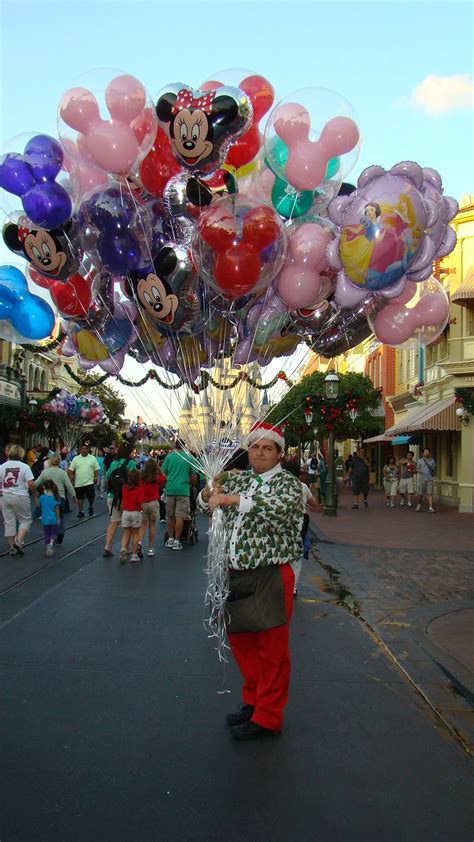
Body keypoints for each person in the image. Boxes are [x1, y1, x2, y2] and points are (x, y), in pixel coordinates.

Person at [198, 422, 304, 741]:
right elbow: (206, 505)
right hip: (237, 574)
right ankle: (255, 701)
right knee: (244, 642)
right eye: (255, 447)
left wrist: (231, 500)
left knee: (271, 647)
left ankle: (269, 716)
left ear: (279, 454)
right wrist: (208, 493)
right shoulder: (239, 478)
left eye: (267, 448)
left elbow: (278, 510)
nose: (259, 453)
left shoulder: (288, 485)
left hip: (270, 574)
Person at [282, 459, 318, 597]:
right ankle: (293, 588)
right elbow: (313, 502)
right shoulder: (302, 486)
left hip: (282, 522)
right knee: (297, 556)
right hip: (300, 523)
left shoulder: (278, 484)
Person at [0, 444, 37, 555]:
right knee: (25, 519)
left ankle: (12, 547)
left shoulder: (3, 466)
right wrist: (35, 494)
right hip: (20, 495)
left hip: (5, 496)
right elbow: (31, 483)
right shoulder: (24, 466)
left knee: (9, 522)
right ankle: (18, 541)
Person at [161, 439, 197, 551]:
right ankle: (177, 540)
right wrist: (191, 484)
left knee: (170, 516)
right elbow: (194, 476)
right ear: (184, 446)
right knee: (180, 516)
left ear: (175, 446)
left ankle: (170, 538)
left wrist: (168, 480)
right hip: (183, 489)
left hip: (170, 488)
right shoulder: (189, 458)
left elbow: (162, 472)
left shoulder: (169, 457)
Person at [103, 442, 137, 557]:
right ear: (129, 452)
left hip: (112, 496)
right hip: (126, 497)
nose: (134, 454)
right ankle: (125, 547)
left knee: (113, 521)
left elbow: (107, 477)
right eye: (133, 452)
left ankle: (108, 545)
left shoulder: (114, 463)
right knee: (127, 524)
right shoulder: (131, 463)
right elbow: (134, 481)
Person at [34, 453, 77, 545]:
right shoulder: (62, 473)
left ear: (50, 461)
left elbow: (36, 483)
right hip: (60, 497)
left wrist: (29, 487)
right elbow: (68, 485)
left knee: (49, 515)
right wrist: (73, 496)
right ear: (59, 461)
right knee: (60, 516)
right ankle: (60, 532)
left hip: (48, 498)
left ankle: (50, 534)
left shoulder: (45, 472)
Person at [68, 441, 100, 518]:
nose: (84, 450)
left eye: (85, 449)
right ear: (80, 450)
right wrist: (71, 477)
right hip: (79, 482)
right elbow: (71, 469)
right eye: (82, 449)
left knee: (91, 496)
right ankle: (81, 511)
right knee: (80, 497)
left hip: (89, 481)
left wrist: (95, 477)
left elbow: (96, 469)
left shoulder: (92, 458)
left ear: (88, 449)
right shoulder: (76, 459)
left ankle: (90, 506)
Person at [138, 458, 162, 557]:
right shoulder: (156, 478)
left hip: (143, 503)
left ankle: (139, 543)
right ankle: (151, 548)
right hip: (153, 503)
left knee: (143, 525)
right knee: (152, 526)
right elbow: (165, 478)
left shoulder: (141, 478)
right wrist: (159, 468)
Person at [119, 468, 144, 564]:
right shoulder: (139, 488)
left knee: (126, 533)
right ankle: (134, 555)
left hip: (126, 512)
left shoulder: (124, 487)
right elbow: (140, 501)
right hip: (136, 512)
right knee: (135, 534)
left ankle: (123, 548)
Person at [37, 479, 61, 557]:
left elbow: (38, 505)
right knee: (53, 532)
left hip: (45, 519)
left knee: (47, 533)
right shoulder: (55, 497)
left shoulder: (42, 497)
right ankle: (51, 543)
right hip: (53, 519)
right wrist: (58, 518)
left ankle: (48, 544)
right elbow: (57, 509)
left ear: (44, 487)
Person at [416, 448, 436, 513]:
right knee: (421, 494)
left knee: (430, 493)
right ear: (423, 453)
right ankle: (419, 504)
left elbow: (433, 469)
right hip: (422, 479)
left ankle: (430, 507)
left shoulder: (432, 461)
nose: (426, 453)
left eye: (427, 452)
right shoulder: (420, 461)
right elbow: (417, 469)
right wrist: (419, 471)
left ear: (429, 453)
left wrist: (433, 477)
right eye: (425, 452)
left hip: (430, 479)